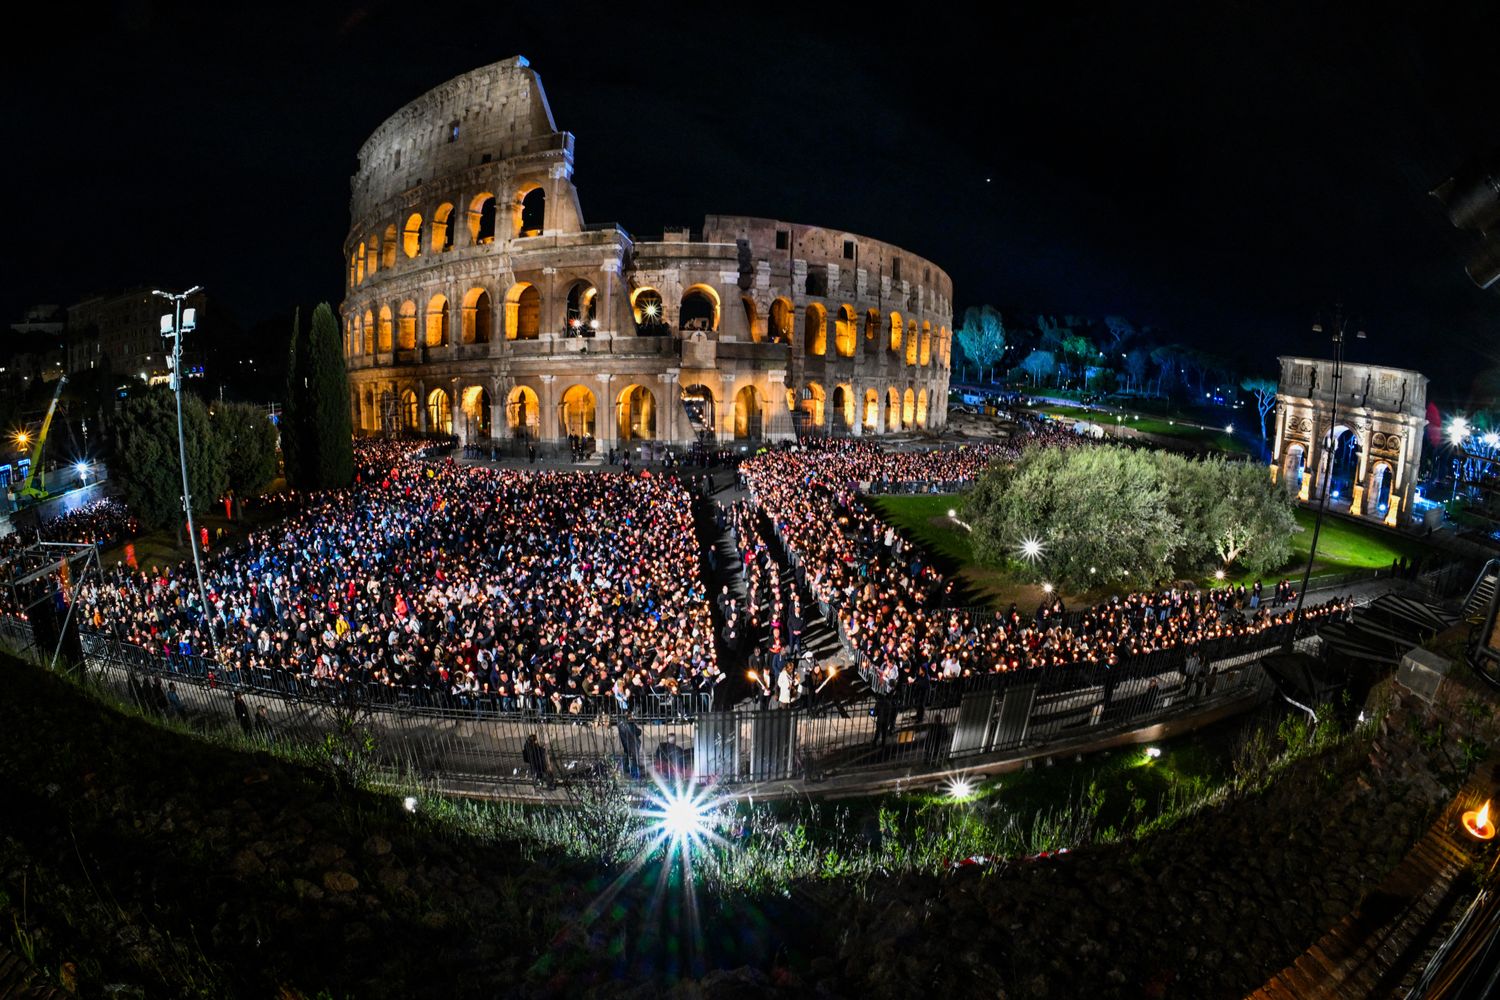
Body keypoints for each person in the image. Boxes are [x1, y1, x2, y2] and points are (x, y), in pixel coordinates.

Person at [616, 710, 643, 779]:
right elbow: (638, 732)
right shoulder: (630, 724)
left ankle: (626, 770)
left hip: (625, 742)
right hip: (632, 743)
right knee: (634, 758)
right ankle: (635, 774)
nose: (632, 716)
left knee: (626, 755)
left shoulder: (620, 723)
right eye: (631, 715)